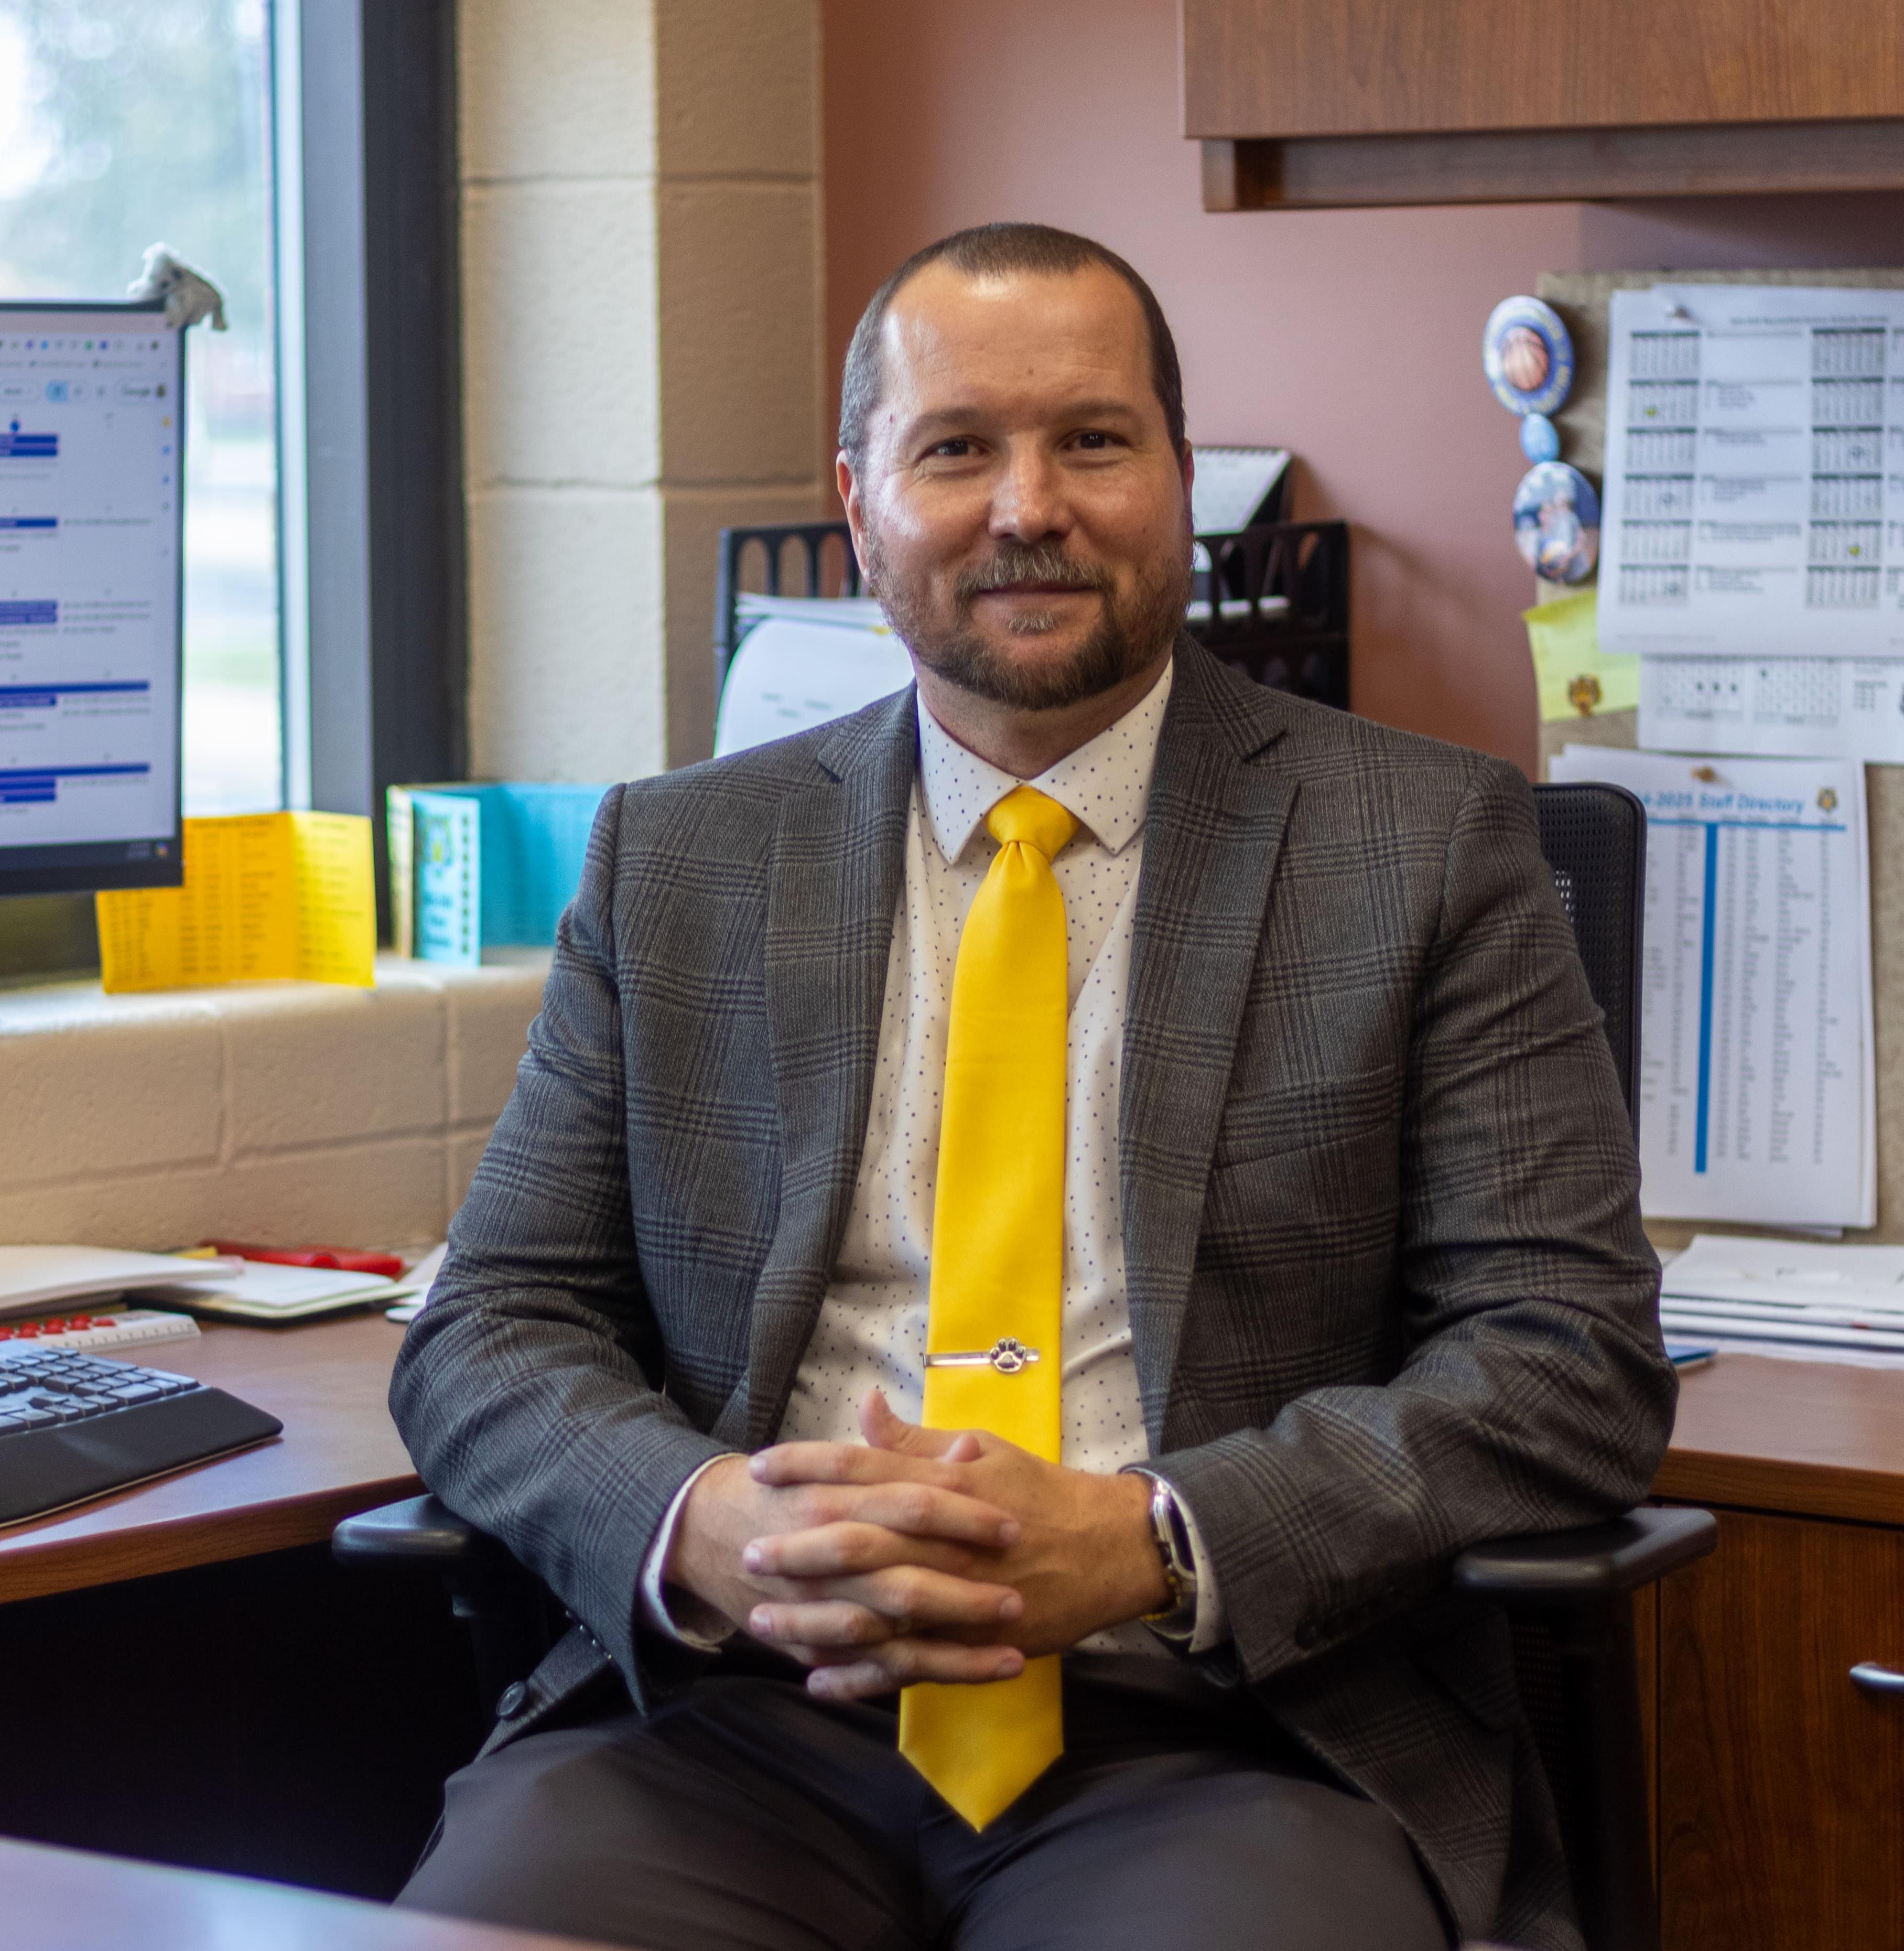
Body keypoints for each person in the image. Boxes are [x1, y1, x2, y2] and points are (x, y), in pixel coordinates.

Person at [389, 222, 1672, 1951]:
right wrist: (698, 1522)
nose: (1026, 506)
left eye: (1090, 440)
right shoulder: (678, 856)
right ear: (857, 503)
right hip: (728, 1732)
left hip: (1223, 1735)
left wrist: (1151, 1538)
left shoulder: (1421, 844)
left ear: (1178, 478)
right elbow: (492, 1321)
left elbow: (1564, 1361)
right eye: (955, 449)